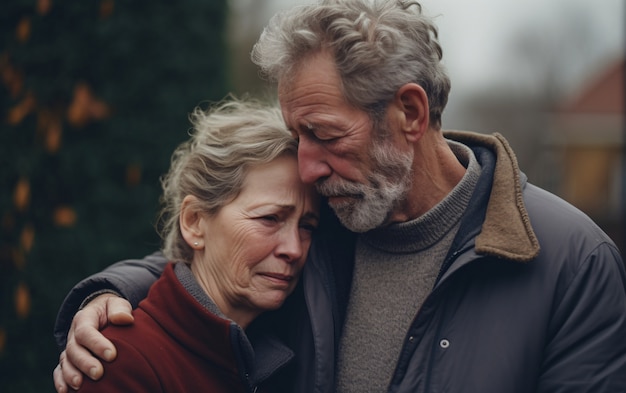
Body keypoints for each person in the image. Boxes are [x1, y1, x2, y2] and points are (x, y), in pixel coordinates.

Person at [54, 1, 626, 392]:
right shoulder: (330, 209)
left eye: (324, 135)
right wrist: (108, 294)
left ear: (409, 113)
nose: (305, 165)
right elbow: (217, 258)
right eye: (297, 134)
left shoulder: (573, 264)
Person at [61, 97, 320, 392]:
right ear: (194, 222)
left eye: (307, 226)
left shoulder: (283, 348)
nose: (295, 249)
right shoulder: (118, 360)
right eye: (270, 218)